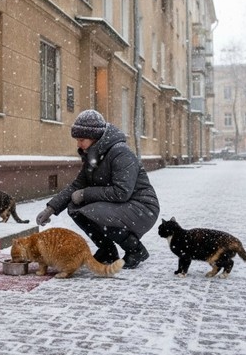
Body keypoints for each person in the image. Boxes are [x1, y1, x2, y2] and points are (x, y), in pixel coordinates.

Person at [35, 109, 160, 269]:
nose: (78, 144)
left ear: (95, 137)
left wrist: (85, 194)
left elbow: (121, 192)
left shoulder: (121, 153)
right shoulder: (93, 155)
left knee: (95, 212)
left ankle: (136, 250)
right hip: (123, 206)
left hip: (142, 208)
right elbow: (76, 185)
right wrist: (51, 208)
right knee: (75, 208)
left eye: (81, 139)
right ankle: (107, 251)